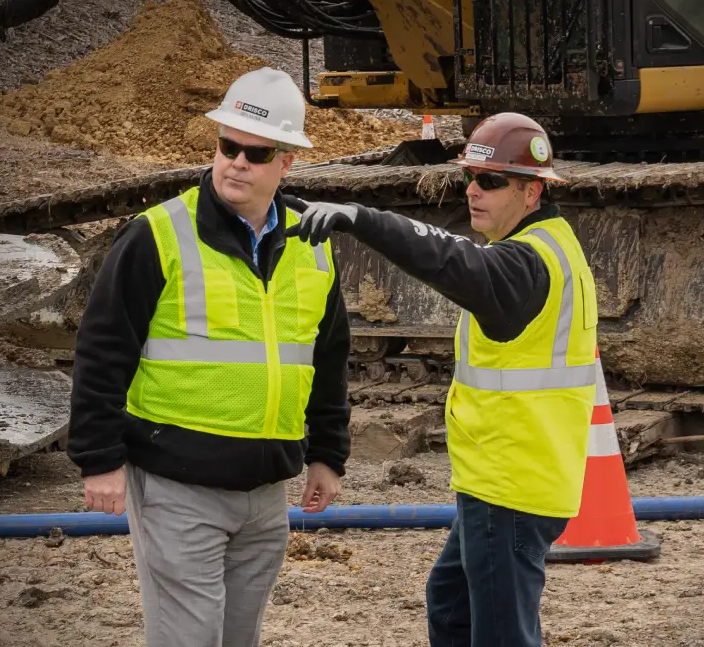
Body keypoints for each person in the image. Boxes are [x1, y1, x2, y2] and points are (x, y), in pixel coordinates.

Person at [284, 112, 598, 647]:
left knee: (501, 633)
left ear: (532, 192)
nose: (474, 191)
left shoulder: (526, 265)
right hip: (506, 477)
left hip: (512, 484)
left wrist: (361, 218)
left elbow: (448, 258)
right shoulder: (549, 245)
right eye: (469, 178)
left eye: (491, 181)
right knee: (451, 606)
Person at [67, 66, 352, 647]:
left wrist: (327, 454)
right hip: (178, 486)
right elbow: (102, 350)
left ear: (286, 163)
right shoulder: (157, 235)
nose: (238, 161)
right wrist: (99, 459)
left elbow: (328, 360)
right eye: (228, 145)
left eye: (256, 151)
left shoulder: (311, 246)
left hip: (266, 492)